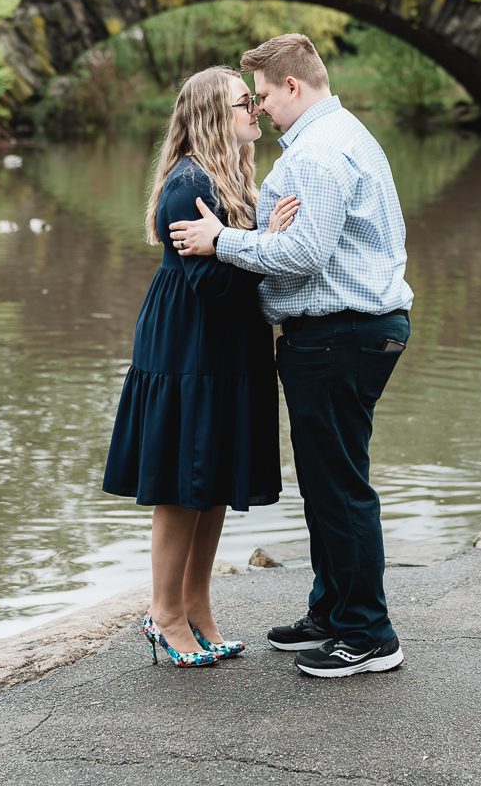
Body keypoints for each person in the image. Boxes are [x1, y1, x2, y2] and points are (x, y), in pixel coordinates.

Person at [171, 34, 413, 679]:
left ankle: (367, 634)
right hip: (345, 331)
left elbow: (303, 255)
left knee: (339, 488)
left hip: (340, 333)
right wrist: (255, 235)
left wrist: (224, 239)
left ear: (294, 87)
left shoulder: (319, 153)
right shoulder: (340, 137)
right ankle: (332, 611)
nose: (262, 109)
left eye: (267, 95)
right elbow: (301, 244)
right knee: (327, 484)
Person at [102, 67, 297, 669]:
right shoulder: (190, 183)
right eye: (245, 102)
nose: (255, 111)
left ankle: (196, 605)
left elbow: (232, 266)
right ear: (214, 113)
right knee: (182, 483)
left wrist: (257, 240)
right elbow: (210, 283)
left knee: (210, 482)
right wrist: (268, 242)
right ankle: (163, 614)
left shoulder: (233, 179)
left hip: (229, 346)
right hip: (189, 345)